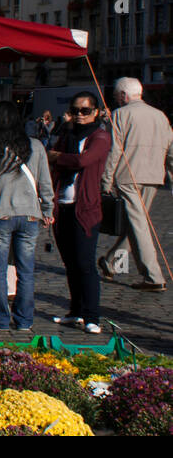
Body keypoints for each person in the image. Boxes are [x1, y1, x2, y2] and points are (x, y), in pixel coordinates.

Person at [0, 101, 54, 331]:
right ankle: (24, 320)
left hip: (1, 213)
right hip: (30, 214)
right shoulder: (36, 146)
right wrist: (48, 210)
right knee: (26, 270)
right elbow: (45, 182)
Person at [99, 77, 171, 292]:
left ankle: (154, 276)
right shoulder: (160, 115)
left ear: (123, 95)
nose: (116, 101)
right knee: (135, 223)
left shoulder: (121, 114)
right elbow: (172, 148)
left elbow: (115, 151)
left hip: (128, 177)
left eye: (116, 97)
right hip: (154, 176)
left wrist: (106, 179)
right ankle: (111, 262)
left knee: (138, 225)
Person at [48, 91, 110, 332]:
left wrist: (58, 157)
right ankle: (75, 311)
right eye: (75, 111)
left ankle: (92, 316)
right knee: (70, 263)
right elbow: (49, 155)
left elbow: (84, 161)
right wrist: (61, 155)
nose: (80, 115)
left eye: (85, 111)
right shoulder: (67, 134)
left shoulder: (100, 136)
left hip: (86, 208)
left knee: (85, 263)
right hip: (63, 204)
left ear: (95, 112)